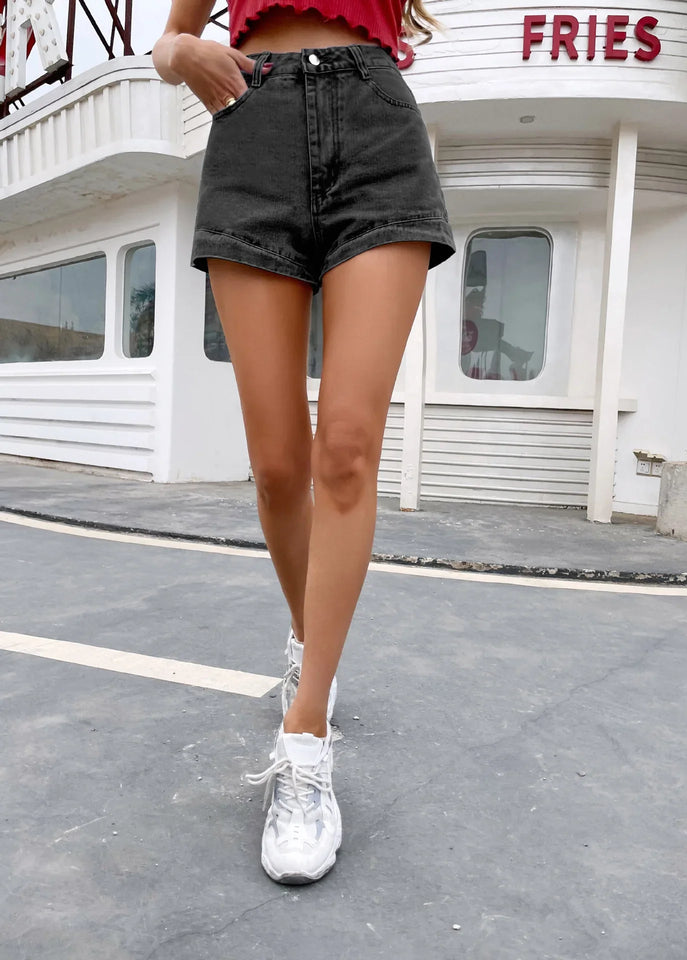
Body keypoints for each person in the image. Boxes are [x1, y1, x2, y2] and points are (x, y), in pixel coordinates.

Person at [151, 0, 456, 884]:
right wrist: (186, 56)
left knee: (347, 448)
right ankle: (306, 640)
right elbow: (166, 38)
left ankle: (306, 740)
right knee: (280, 463)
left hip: (377, 128)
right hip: (252, 123)